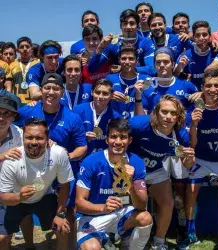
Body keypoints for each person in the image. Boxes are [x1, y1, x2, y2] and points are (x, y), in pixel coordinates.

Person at [181, 70, 218, 250]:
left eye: (217, 85)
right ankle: (190, 233)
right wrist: (193, 124)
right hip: (201, 158)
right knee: (191, 191)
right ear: (202, 88)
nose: (213, 89)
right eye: (208, 86)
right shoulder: (193, 110)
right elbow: (192, 143)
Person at [75, 118, 153, 250]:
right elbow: (79, 204)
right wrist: (103, 208)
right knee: (91, 248)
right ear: (107, 140)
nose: (118, 142)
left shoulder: (137, 162)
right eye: (113, 137)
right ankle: (105, 238)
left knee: (145, 218)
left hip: (120, 213)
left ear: (130, 140)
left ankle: (124, 241)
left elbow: (142, 204)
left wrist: (131, 184)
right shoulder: (91, 162)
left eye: (123, 137)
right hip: (92, 216)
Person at [129, 94, 195, 249]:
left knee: (168, 203)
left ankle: (159, 242)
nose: (168, 117)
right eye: (164, 112)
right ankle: (129, 239)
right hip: (132, 170)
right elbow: (117, 138)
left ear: (178, 117)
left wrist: (190, 158)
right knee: (140, 202)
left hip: (155, 169)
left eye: (173, 113)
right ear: (156, 112)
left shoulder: (181, 135)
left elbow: (187, 164)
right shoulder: (138, 124)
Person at [0, 117, 74, 250]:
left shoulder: (59, 153)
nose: (34, 142)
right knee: (1, 239)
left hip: (44, 196)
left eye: (39, 138)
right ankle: (29, 246)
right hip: (16, 198)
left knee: (62, 228)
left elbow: (64, 186)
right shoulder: (12, 159)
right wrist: (19, 197)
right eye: (29, 137)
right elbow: (3, 196)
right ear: (23, 138)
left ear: (47, 139)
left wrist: (60, 214)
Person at [88, 9, 155, 76]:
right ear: (120, 26)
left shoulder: (146, 42)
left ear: (137, 26)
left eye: (132, 23)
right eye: (125, 23)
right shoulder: (112, 44)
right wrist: (100, 48)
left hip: (141, 82)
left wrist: (124, 68)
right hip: (119, 84)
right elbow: (92, 69)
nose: (128, 27)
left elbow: (153, 70)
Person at [134, 47, 197, 115]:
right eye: (158, 62)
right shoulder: (146, 85)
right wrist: (138, 97)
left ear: (172, 64)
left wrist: (201, 95)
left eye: (166, 62)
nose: (162, 65)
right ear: (154, 65)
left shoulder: (186, 85)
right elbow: (140, 119)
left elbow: (201, 104)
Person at [73, 78, 120, 156]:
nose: (100, 96)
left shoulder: (116, 117)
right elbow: (69, 135)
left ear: (111, 95)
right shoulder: (78, 110)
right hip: (81, 158)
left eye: (105, 93)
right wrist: (83, 137)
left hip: (102, 160)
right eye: (97, 92)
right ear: (92, 92)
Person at [0, 95, 22, 250]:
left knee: (3, 237)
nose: (2, 118)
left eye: (7, 113)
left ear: (14, 116)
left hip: (6, 189)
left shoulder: (19, 134)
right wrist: (2, 156)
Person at [106, 45, 150, 119]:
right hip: (116, 125)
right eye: (123, 58)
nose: (127, 62)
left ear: (137, 60)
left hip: (137, 124)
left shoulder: (147, 80)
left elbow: (150, 103)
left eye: (131, 59)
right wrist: (109, 97)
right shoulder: (109, 79)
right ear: (119, 60)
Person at [175, 21, 218, 90]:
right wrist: (179, 67)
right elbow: (174, 76)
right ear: (193, 37)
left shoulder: (216, 53)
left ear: (210, 36)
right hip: (192, 95)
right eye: (197, 35)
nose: (201, 38)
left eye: (204, 35)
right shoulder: (186, 54)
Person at [11, 37, 39, 105]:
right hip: (16, 104)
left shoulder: (38, 64)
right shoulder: (12, 65)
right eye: (22, 47)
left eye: (27, 47)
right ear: (17, 50)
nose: (25, 49)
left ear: (31, 49)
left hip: (34, 104)